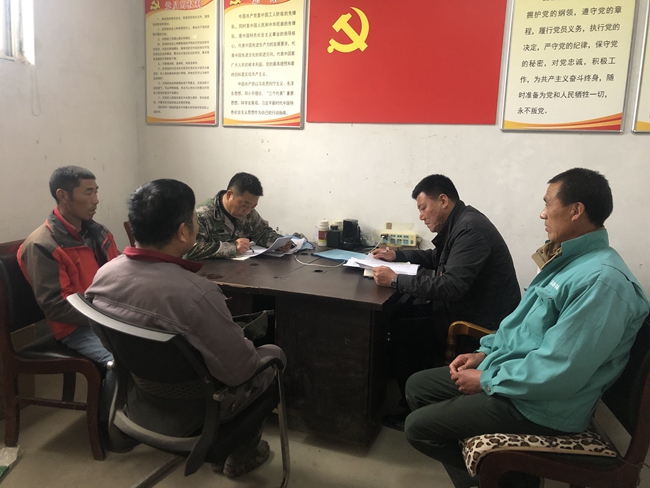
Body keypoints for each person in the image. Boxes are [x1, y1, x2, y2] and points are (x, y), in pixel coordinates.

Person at [404, 168, 650, 488]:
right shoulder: (567, 260)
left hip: (544, 405)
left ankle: (503, 478)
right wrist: (484, 354)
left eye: (548, 203)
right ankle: (506, 478)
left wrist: (487, 380)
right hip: (519, 375)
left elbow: (562, 369)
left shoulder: (602, 282)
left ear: (576, 210)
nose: (542, 213)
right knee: (417, 387)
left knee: (418, 428)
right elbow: (520, 325)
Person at [86, 178, 286, 478]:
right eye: (194, 219)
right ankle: (241, 453)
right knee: (273, 355)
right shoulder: (197, 294)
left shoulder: (103, 276)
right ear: (183, 232)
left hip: (140, 398)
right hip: (200, 410)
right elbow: (241, 371)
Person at [371, 174, 520, 430]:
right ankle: (415, 395)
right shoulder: (461, 223)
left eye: (423, 208)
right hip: (462, 311)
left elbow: (451, 286)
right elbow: (435, 257)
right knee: (399, 316)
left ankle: (417, 406)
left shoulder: (470, 229)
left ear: (443, 201)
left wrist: (395, 280)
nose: (421, 216)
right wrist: (397, 254)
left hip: (478, 326)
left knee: (401, 332)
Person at [17, 166, 119, 431]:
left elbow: (120, 275)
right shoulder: (43, 244)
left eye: (96, 191)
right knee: (121, 362)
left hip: (105, 317)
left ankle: (141, 415)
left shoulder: (98, 233)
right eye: (88, 192)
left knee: (160, 343)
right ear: (63, 195)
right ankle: (108, 429)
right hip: (76, 327)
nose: (96, 200)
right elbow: (57, 306)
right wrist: (110, 316)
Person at [186, 172, 290, 259]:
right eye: (244, 205)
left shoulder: (250, 214)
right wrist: (232, 247)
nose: (247, 211)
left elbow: (262, 232)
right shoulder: (202, 215)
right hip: (208, 273)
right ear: (229, 195)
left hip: (242, 271)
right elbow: (189, 249)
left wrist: (280, 243)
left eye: (252, 207)